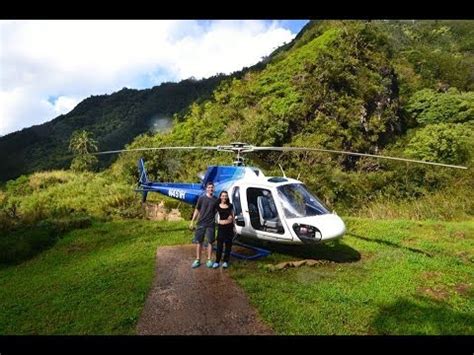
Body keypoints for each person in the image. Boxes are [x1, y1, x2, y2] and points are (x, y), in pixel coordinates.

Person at [189, 182, 218, 268]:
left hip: (211, 224)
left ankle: (209, 259)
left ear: (214, 189)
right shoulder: (201, 198)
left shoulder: (216, 200)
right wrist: (192, 221)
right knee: (199, 242)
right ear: (206, 188)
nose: (210, 189)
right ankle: (198, 260)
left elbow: (220, 210)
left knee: (210, 242)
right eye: (209, 187)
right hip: (201, 223)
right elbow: (197, 210)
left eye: (212, 187)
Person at [212, 191, 234, 269]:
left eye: (226, 196)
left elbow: (232, 215)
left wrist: (232, 220)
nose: (224, 197)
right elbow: (214, 216)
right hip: (221, 228)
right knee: (219, 246)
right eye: (223, 196)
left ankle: (225, 261)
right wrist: (218, 221)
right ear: (220, 197)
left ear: (227, 197)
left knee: (228, 245)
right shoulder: (217, 206)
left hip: (229, 228)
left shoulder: (230, 206)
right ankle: (217, 261)